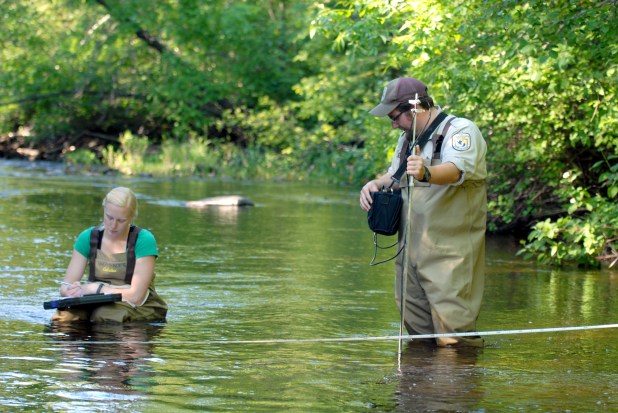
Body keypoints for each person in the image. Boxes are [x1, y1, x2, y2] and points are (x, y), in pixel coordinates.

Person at [359, 77, 487, 347]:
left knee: (454, 340)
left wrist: (426, 171)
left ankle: (457, 387)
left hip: (450, 253)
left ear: (414, 109)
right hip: (410, 251)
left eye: (395, 117)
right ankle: (420, 387)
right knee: (418, 336)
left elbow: (455, 170)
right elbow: (395, 176)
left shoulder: (460, 130)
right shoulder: (406, 138)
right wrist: (375, 184)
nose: (393, 124)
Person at [52, 186, 167, 323]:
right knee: (64, 318)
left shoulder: (143, 240)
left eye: (121, 220)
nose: (113, 225)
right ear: (104, 210)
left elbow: (136, 296)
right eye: (109, 217)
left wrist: (95, 288)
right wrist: (71, 291)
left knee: (104, 316)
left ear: (131, 217)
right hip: (93, 298)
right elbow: (65, 286)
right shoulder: (87, 237)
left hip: (135, 303)